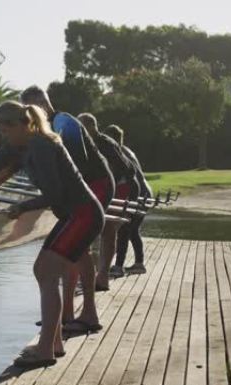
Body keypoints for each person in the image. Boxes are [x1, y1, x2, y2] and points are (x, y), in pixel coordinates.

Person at [0, 101, 105, 369]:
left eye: (7, 129)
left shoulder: (42, 144)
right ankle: (53, 343)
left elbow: (54, 195)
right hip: (75, 216)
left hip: (83, 215)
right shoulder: (19, 145)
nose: (4, 135)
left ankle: (45, 350)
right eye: (0, 131)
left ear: (26, 124)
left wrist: (22, 207)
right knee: (45, 272)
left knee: (45, 271)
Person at [20, 86, 113, 334]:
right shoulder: (46, 129)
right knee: (74, 251)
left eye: (33, 106)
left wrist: (58, 193)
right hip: (83, 188)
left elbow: (77, 161)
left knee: (76, 248)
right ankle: (68, 312)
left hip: (97, 184)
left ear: (42, 102)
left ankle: (86, 313)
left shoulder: (63, 121)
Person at [78, 115, 139, 285]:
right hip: (97, 188)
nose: (79, 132)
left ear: (91, 127)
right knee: (92, 228)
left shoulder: (106, 143)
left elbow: (128, 168)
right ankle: (89, 274)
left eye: (81, 128)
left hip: (118, 187)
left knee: (108, 229)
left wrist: (109, 184)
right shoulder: (85, 144)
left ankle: (103, 275)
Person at [104, 124, 152, 275]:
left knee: (124, 229)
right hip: (145, 192)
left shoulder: (117, 152)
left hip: (136, 193)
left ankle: (118, 267)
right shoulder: (126, 150)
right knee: (132, 230)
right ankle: (139, 263)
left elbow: (119, 176)